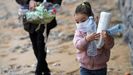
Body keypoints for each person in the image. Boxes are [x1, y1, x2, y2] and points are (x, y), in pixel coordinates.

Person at [16, 0, 62, 75]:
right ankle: (46, 69)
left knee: (41, 45)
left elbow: (57, 2)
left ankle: (38, 71)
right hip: (29, 15)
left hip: (45, 14)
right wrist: (29, 1)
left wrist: (52, 4)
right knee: (35, 45)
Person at [73, 2, 114, 75]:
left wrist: (106, 38)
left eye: (83, 20)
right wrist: (86, 39)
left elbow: (109, 46)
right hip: (84, 67)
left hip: (101, 67)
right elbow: (78, 45)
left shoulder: (101, 29)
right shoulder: (79, 32)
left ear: (92, 18)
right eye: (77, 22)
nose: (80, 24)